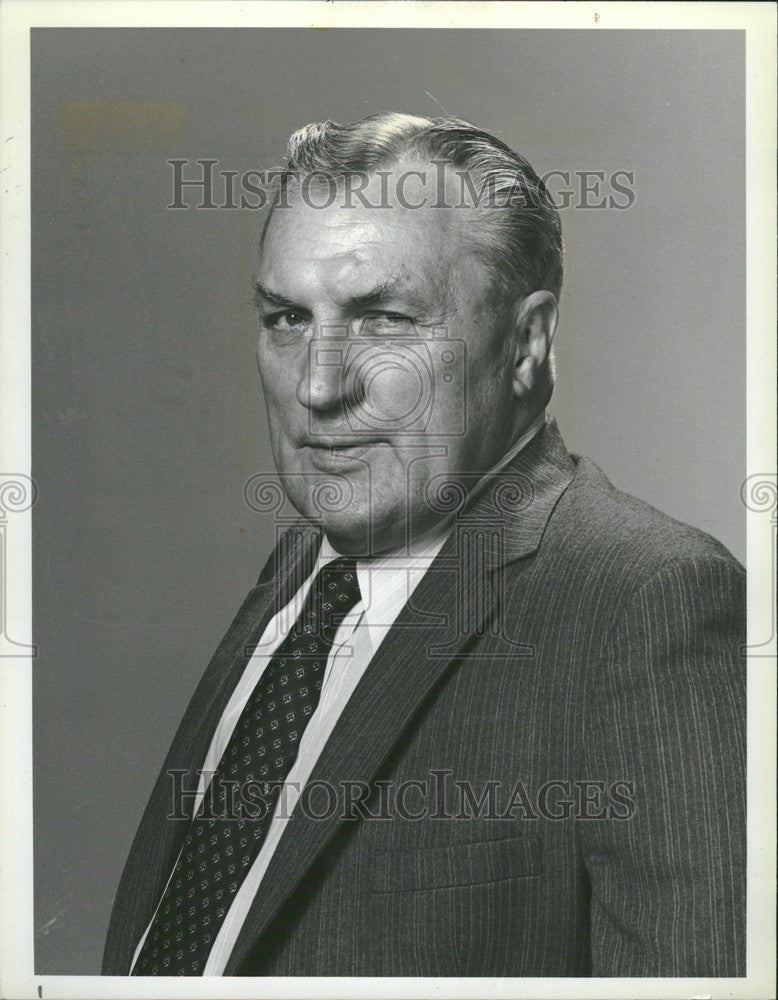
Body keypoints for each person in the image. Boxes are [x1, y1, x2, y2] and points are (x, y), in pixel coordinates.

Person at [103, 112, 745, 978]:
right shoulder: (308, 575)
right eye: (288, 319)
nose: (319, 387)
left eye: (385, 320)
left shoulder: (649, 604)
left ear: (526, 344)